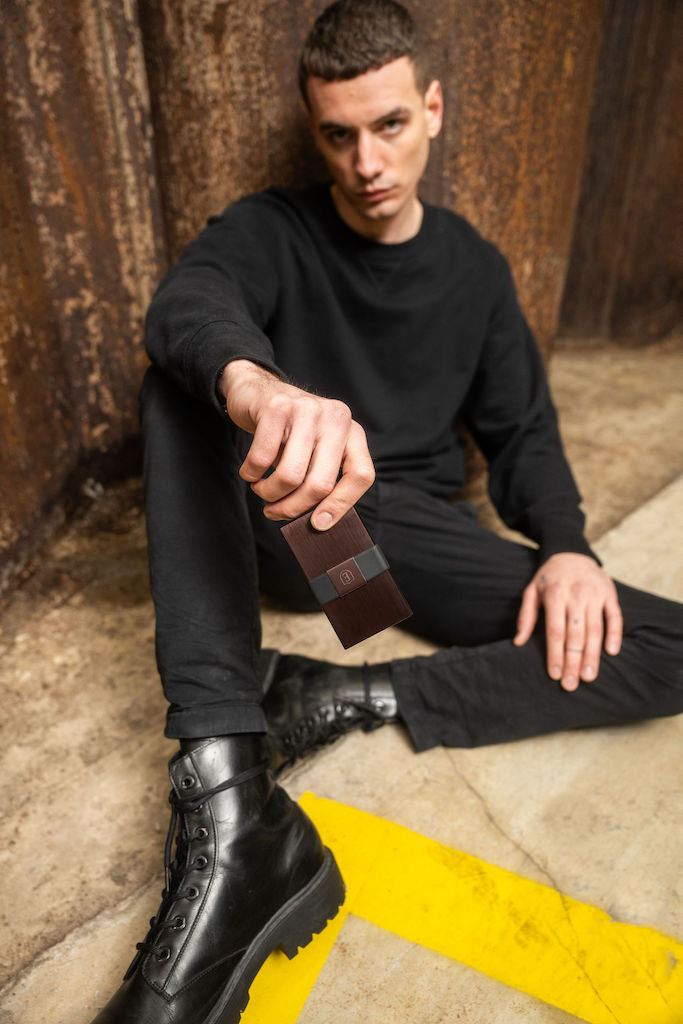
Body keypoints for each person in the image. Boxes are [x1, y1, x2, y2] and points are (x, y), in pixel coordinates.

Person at [90, 1, 683, 1021]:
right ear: (315, 130)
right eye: (338, 134)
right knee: (179, 382)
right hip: (287, 523)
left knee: (665, 644)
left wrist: (568, 548)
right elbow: (188, 304)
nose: (366, 161)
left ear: (433, 109)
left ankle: (338, 695)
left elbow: (524, 437)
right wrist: (259, 389)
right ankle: (230, 797)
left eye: (390, 125)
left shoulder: (474, 270)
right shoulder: (271, 229)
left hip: (393, 550)